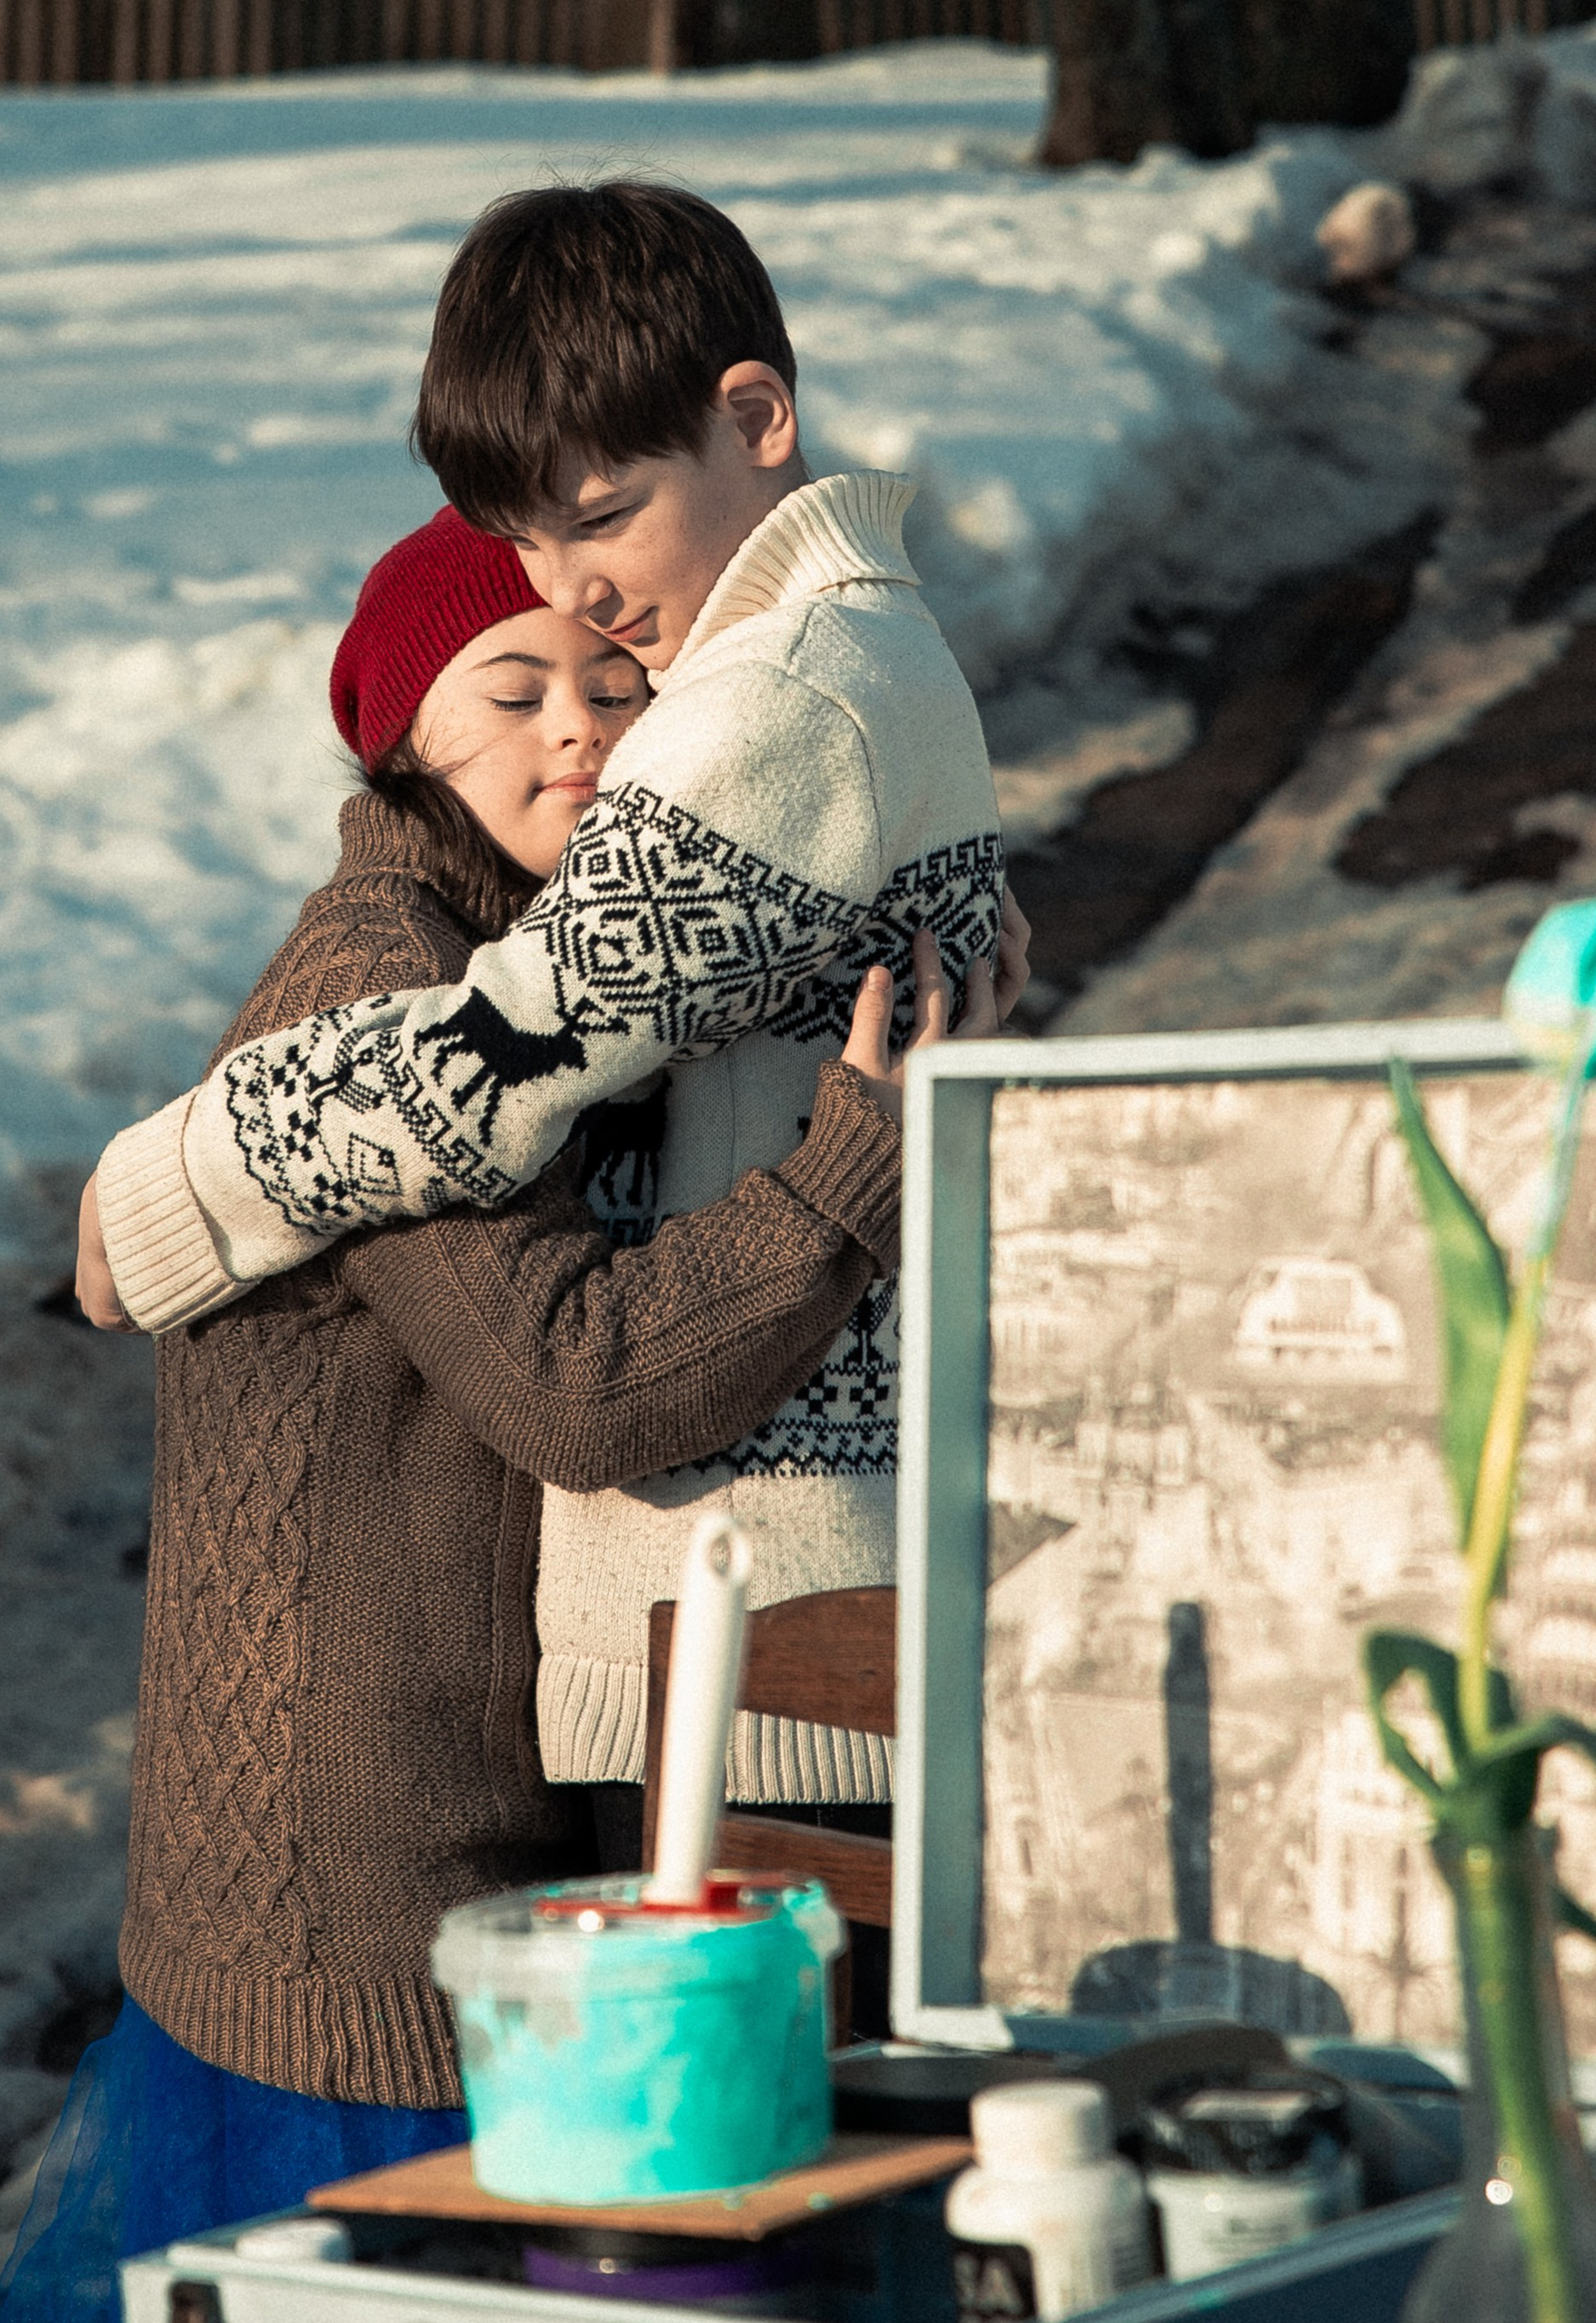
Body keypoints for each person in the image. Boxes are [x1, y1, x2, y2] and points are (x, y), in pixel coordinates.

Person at [0, 506, 987, 2323]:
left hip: (463, 1832)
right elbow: (582, 1382)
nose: (576, 732)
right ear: (399, 742)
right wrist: (857, 1153)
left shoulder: (542, 966)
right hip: (350, 1878)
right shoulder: (388, 986)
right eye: (508, 690)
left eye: (618, 686)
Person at [83, 179, 1010, 1824]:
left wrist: (179, 1175)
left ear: (756, 417)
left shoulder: (786, 693)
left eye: (598, 514)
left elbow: (521, 1041)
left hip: (753, 1607)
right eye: (526, 536)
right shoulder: (826, 658)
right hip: (776, 1583)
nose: (563, 585)